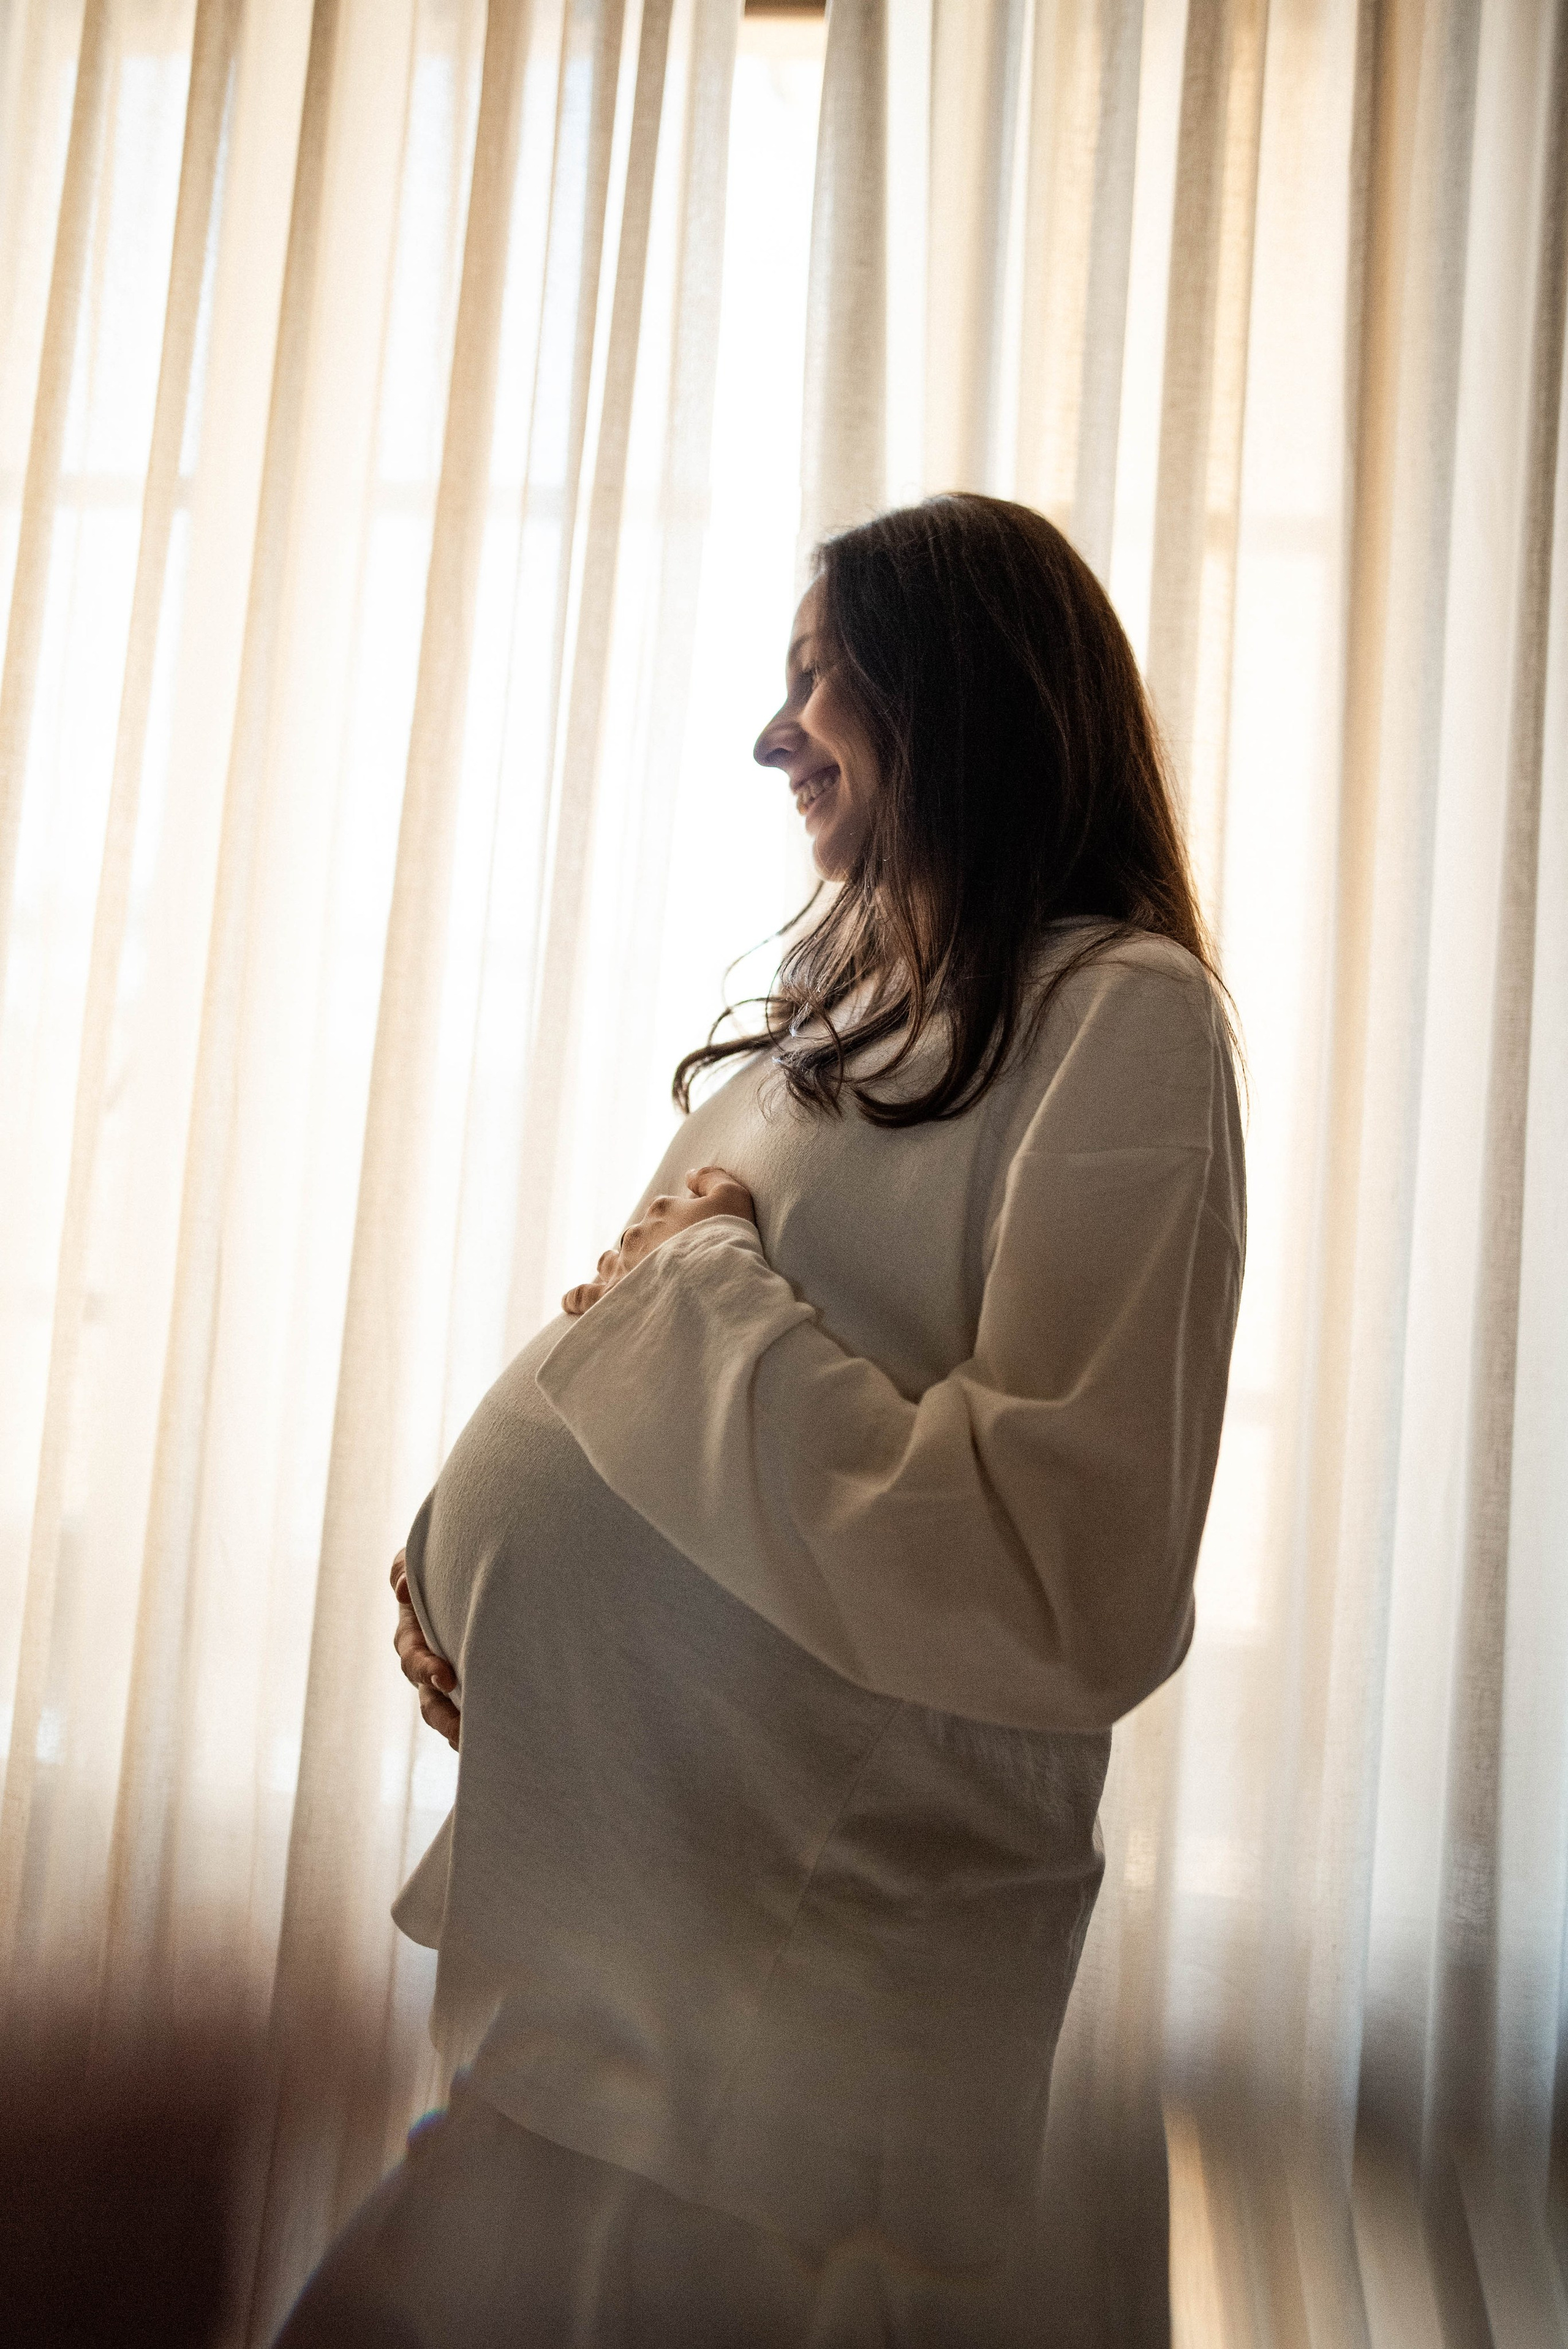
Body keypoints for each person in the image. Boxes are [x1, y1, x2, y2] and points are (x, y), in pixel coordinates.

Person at [276, 494, 1245, 2347]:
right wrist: (474, 1590)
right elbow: (630, 1360)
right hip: (609, 2002)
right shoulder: (847, 1011)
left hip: (774, 2083)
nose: (770, 733)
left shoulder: (1127, 1028)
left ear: (957, 697)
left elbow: (1060, 1580)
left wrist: (706, 1295)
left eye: (819, 680)